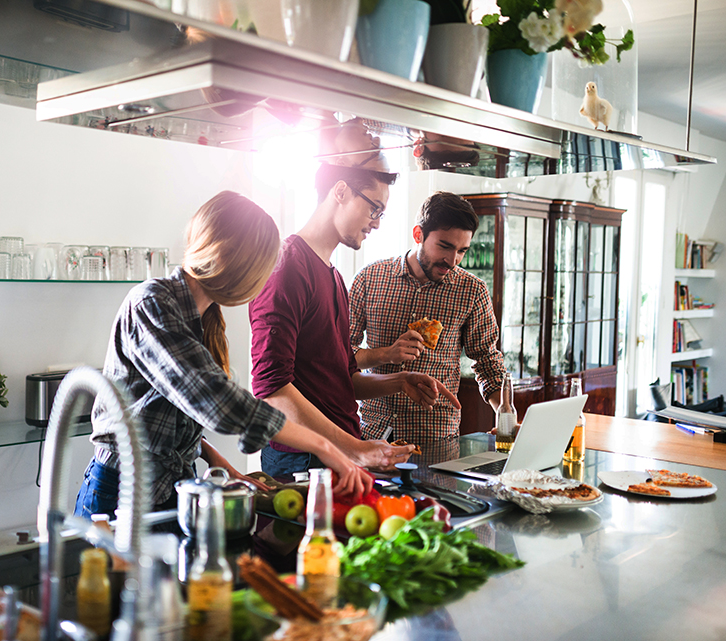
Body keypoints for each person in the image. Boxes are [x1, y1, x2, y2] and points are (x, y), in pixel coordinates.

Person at [75, 191, 373, 518]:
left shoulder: (199, 315)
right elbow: (216, 400)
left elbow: (164, 413)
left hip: (169, 486)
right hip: (121, 492)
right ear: (233, 261)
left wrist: (217, 460)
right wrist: (326, 446)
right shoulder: (152, 304)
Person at [249, 122, 460, 479]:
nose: (376, 223)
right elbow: (272, 391)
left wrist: (399, 380)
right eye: (374, 208)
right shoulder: (285, 267)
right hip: (303, 459)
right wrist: (357, 448)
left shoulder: (332, 274)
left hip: (338, 451)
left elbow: (342, 377)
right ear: (341, 192)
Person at [349, 191, 506, 444]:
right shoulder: (369, 279)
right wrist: (386, 353)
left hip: (436, 437)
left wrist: (504, 411)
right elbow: (341, 354)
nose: (452, 261)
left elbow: (487, 361)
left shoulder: (472, 291)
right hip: (372, 434)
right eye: (444, 246)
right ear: (418, 234)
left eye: (462, 251)